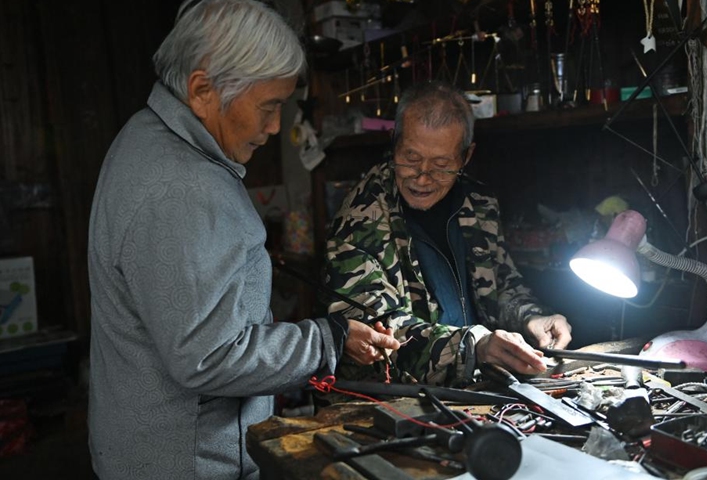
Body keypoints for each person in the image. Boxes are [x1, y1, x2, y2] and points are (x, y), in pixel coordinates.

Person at [86, 1, 399, 479]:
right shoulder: (185, 185)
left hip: (142, 447)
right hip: (187, 464)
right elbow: (208, 356)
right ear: (202, 90)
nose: (275, 127)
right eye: (268, 107)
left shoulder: (144, 134)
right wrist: (327, 339)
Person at [324, 81, 572, 387]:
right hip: (392, 398)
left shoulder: (478, 204)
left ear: (466, 156)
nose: (423, 177)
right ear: (394, 142)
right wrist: (475, 346)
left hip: (470, 388)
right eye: (411, 159)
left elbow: (502, 283)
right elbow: (376, 332)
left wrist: (532, 317)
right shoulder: (361, 217)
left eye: (441, 164)